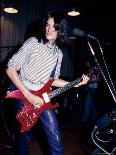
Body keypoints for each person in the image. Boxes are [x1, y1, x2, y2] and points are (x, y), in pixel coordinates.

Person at [5, 11, 90, 155]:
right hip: (23, 95)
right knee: (22, 140)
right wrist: (29, 96)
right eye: (47, 25)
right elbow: (10, 69)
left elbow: (52, 80)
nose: (49, 29)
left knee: (55, 136)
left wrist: (75, 83)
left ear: (60, 31)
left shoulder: (58, 54)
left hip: (42, 97)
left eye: (54, 27)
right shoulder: (33, 42)